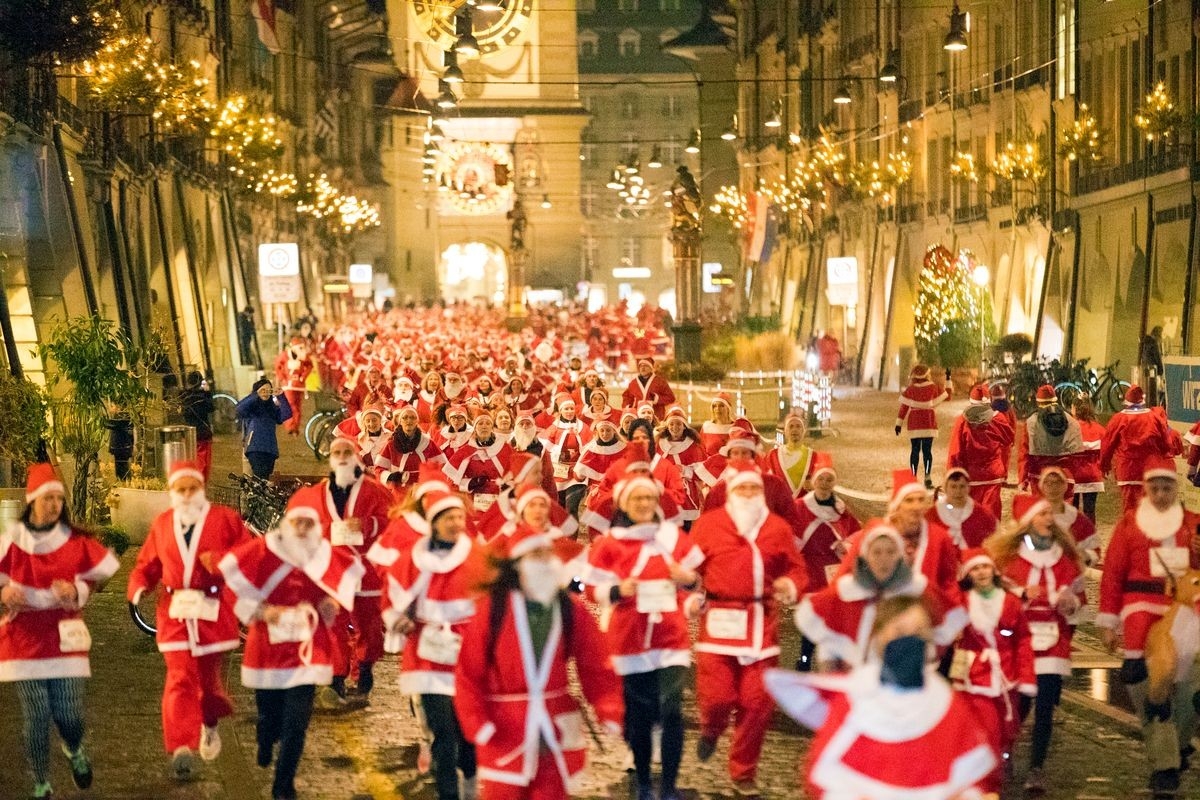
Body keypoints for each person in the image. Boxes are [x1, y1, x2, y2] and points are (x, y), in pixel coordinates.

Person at [766, 596, 998, 800]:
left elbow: (972, 773)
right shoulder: (856, 696)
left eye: (919, 633)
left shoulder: (944, 702)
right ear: (879, 636)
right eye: (899, 631)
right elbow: (823, 773)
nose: (910, 640)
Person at [453, 525, 624, 800]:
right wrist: (476, 721)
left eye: (547, 553)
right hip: (505, 728)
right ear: (518, 564)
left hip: (554, 723)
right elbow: (469, 673)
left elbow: (596, 666)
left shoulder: (570, 608)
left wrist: (609, 709)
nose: (544, 560)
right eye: (535, 554)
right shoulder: (492, 610)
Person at [218, 498, 364, 800]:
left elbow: (337, 586)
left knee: (297, 723)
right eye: (297, 522)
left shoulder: (322, 556)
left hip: (308, 650)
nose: (301, 529)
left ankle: (283, 785)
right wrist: (260, 611)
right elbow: (233, 585)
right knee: (270, 713)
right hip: (268, 649)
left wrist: (330, 604)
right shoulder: (263, 550)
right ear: (287, 523)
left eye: (308, 524)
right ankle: (265, 736)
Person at [0, 464, 120, 800]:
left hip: (64, 637)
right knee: (36, 716)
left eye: (58, 498)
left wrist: (76, 591)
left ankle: (73, 745)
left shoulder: (75, 541)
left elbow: (98, 576)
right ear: (32, 501)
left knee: (69, 714)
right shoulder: (11, 541)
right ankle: (41, 782)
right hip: (23, 638)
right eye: (47, 498)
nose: (54, 505)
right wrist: (4, 593)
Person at [126, 460, 252, 779]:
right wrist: (139, 586)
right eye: (179, 489)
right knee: (179, 677)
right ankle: (182, 746)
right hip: (175, 612)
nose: (185, 495)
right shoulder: (163, 524)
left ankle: (208, 724)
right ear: (172, 492)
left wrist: (219, 561)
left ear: (201, 489)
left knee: (209, 688)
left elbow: (250, 555)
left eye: (191, 488)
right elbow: (147, 564)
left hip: (212, 610)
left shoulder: (225, 520)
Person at [687, 463, 807, 796]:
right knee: (718, 698)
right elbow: (687, 568)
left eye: (754, 489)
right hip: (720, 621)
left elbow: (798, 570)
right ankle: (711, 729)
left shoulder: (777, 528)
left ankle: (743, 772)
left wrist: (789, 583)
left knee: (757, 704)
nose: (748, 494)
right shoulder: (709, 525)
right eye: (742, 489)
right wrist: (691, 594)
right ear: (731, 492)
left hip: (760, 624)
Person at [584, 463, 700, 800]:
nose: (644, 503)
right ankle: (644, 781)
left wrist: (688, 581)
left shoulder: (674, 539)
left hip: (671, 637)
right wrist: (619, 590)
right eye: (637, 498)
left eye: (649, 497)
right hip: (629, 639)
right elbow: (592, 590)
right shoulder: (609, 544)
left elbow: (697, 585)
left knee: (671, 709)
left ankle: (668, 785)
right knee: (638, 715)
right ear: (623, 503)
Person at [1096, 457, 1200, 798]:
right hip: (1139, 613)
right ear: (1145, 489)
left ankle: (1177, 747)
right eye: (1153, 488)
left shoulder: (1192, 525)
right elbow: (1112, 576)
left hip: (1182, 616)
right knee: (1145, 688)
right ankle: (1165, 765)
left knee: (1187, 693)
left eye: (1166, 487)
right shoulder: (1130, 525)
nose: (1159, 494)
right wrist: (1109, 622)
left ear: (1175, 488)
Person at [382, 489, 487, 800]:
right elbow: (393, 596)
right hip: (426, 659)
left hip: (466, 659)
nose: (456, 522)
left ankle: (469, 781)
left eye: (459, 517)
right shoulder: (413, 559)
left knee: (467, 733)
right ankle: (448, 794)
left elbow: (494, 606)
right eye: (449, 517)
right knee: (443, 732)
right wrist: (399, 618)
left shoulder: (477, 559)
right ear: (435, 522)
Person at [988, 493, 1086, 795]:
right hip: (1020, 638)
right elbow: (990, 596)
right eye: (1042, 514)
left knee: (1044, 705)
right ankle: (1006, 752)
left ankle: (1037, 767)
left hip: (1053, 639)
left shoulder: (1066, 558)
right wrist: (1018, 594)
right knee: (1020, 702)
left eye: (1049, 514)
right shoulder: (1007, 559)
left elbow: (1080, 597)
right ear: (1028, 521)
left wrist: (1071, 604)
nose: (1048, 519)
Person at [289, 438, 393, 706]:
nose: (343, 456)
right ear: (330, 458)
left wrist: (368, 524)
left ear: (356, 456)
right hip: (332, 571)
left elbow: (390, 521)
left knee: (367, 627)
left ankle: (364, 678)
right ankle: (335, 680)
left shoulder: (374, 491)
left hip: (365, 569)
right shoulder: (316, 494)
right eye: (337, 452)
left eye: (348, 452)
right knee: (333, 627)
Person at [796, 521, 945, 671]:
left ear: (900, 555)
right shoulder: (845, 593)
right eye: (877, 552)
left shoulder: (914, 592)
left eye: (890, 552)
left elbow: (930, 645)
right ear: (866, 556)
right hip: (852, 684)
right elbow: (828, 650)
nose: (884, 559)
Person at [951, 549, 1036, 798]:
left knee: (1007, 729)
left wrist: (1027, 675)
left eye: (985, 567)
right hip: (974, 678)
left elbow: (1022, 640)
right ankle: (985, 784)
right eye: (975, 569)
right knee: (986, 730)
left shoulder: (1009, 603)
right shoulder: (963, 601)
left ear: (993, 570)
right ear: (968, 575)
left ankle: (997, 764)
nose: (981, 573)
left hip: (1006, 678)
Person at [1101, 385, 1181, 512]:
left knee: (1129, 508)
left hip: (1127, 470)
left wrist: (1104, 465)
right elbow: (1166, 443)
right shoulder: (1154, 418)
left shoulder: (1119, 419)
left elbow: (1107, 443)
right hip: (1149, 469)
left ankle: (1132, 531)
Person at [946, 383, 1013, 519]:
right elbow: (1009, 439)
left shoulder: (962, 421)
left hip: (971, 475)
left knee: (971, 514)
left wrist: (951, 475)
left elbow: (955, 451)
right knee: (991, 515)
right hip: (993, 475)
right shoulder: (998, 418)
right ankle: (992, 539)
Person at [1016, 384, 1083, 491]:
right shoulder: (1072, 421)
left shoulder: (1031, 422)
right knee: (1063, 508)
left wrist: (1022, 479)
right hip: (1065, 477)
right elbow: (1077, 454)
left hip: (1039, 477)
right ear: (1055, 400)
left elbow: (1024, 453)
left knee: (1042, 507)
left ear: (1038, 402)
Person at [895, 364, 952, 488]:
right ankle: (927, 477)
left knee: (914, 451)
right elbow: (948, 396)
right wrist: (948, 378)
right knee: (927, 452)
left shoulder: (910, 390)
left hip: (914, 424)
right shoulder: (933, 388)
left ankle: (913, 477)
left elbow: (903, 408)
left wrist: (898, 424)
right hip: (928, 423)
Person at [927, 467, 998, 550]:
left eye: (962, 486)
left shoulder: (983, 516)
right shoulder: (933, 515)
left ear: (968, 488)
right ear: (945, 488)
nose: (958, 491)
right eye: (953, 487)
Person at [236, 378, 293, 479]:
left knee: (265, 480)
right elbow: (239, 408)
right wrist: (255, 395)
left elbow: (286, 414)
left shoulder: (272, 409)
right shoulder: (251, 408)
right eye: (263, 390)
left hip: (270, 451)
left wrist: (281, 396)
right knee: (260, 478)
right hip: (255, 448)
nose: (266, 393)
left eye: (268, 390)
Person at [764, 413, 816, 499]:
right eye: (791, 426)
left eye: (798, 426)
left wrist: (814, 485)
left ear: (804, 430)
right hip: (780, 508)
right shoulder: (773, 456)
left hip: (803, 508)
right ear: (785, 431)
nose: (794, 430)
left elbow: (823, 488)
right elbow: (765, 484)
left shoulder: (813, 456)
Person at [1070, 397, 1105, 522]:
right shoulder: (1100, 429)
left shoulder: (1070, 428)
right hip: (1092, 475)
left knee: (1071, 510)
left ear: (1075, 409)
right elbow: (1105, 452)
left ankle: (1073, 536)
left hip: (1073, 475)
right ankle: (1090, 537)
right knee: (1090, 511)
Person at [179, 371, 216, 481]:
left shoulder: (184, 396)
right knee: (204, 463)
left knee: (190, 461)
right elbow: (211, 408)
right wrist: (207, 392)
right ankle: (199, 486)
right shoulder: (203, 397)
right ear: (200, 382)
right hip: (203, 434)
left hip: (188, 434)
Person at [274, 337, 313, 436]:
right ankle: (291, 426)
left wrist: (303, 377)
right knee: (290, 405)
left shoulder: (303, 356)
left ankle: (295, 426)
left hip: (298, 385)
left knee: (297, 407)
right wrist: (282, 377)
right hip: (288, 385)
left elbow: (309, 365)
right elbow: (277, 366)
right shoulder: (285, 355)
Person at [621, 357, 676, 421]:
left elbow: (671, 398)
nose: (643, 368)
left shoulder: (660, 382)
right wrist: (628, 407)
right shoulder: (633, 383)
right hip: (638, 415)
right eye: (641, 366)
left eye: (646, 366)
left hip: (656, 416)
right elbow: (626, 396)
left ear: (651, 368)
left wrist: (657, 399)